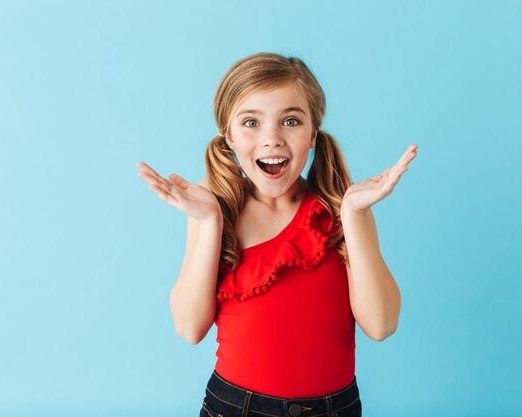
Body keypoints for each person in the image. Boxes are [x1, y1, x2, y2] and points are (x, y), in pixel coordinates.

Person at [137, 52, 418, 417]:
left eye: (290, 121)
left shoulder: (342, 206)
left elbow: (381, 325)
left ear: (313, 133)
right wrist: (209, 223)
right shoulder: (216, 207)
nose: (272, 139)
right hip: (235, 407)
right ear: (229, 137)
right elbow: (189, 328)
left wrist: (355, 214)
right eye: (251, 122)